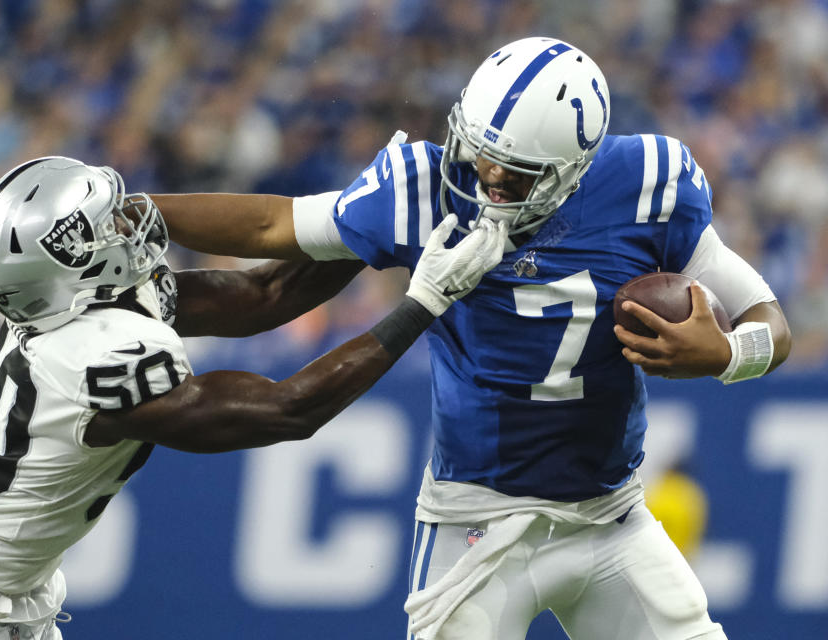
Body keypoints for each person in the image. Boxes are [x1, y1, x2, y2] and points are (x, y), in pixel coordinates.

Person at [148, 37, 792, 639]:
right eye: (480, 152)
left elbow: (770, 321)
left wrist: (730, 354)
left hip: (609, 519)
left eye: (513, 173)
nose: (485, 178)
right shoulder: (425, 187)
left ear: (575, 170)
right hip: (473, 521)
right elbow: (270, 226)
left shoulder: (648, 181)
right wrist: (136, 208)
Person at [0, 156, 506, 640]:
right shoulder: (90, 352)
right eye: (100, 229)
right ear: (65, 273)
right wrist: (422, 303)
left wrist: (377, 226)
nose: (126, 228)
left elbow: (264, 297)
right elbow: (287, 410)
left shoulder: (80, 306)